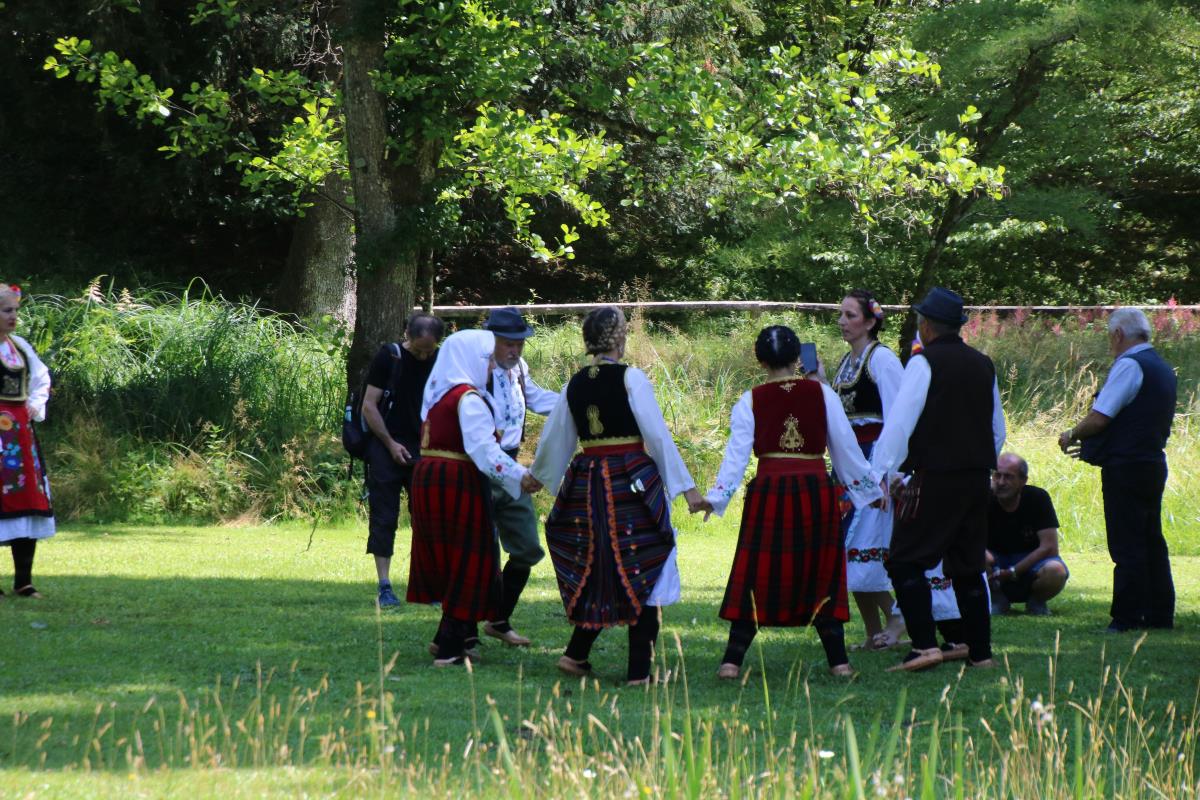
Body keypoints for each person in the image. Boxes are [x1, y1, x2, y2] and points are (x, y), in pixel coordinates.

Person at [530, 306, 705, 686]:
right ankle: (639, 673)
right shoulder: (631, 378)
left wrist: (539, 477)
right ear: (619, 337)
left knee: (601, 562)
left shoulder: (576, 383)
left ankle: (576, 655)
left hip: (588, 481)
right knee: (646, 560)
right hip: (629, 480)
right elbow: (657, 436)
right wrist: (688, 489)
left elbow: (558, 436)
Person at [699, 325, 884, 679]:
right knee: (821, 569)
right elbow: (845, 448)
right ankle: (839, 663)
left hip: (768, 492)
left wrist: (717, 498)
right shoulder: (822, 394)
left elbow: (736, 458)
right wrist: (869, 491)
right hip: (814, 490)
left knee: (756, 571)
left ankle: (731, 663)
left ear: (760, 360)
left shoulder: (750, 399)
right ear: (798, 357)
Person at [871, 287, 1006, 671]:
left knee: (904, 561)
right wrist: (978, 462)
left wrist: (883, 472)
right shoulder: (983, 364)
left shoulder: (924, 362)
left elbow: (900, 423)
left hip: (935, 477)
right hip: (976, 479)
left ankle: (924, 646)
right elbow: (997, 429)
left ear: (927, 326)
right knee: (967, 566)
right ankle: (980, 653)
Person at [406, 330, 541, 667]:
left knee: (455, 560)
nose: (491, 366)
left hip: (431, 480)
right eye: (487, 360)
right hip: (456, 482)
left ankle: (447, 640)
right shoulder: (468, 399)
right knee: (469, 560)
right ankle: (451, 650)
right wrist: (519, 475)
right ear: (470, 360)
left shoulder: (439, 396)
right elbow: (485, 451)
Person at [1059, 308, 1176, 633]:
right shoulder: (1162, 367)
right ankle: (1160, 614)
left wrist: (1071, 434)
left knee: (1126, 542)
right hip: (1152, 462)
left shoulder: (1129, 365)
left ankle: (1126, 616)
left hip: (1126, 466)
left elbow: (1100, 417)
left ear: (1118, 334)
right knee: (1151, 540)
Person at [830, 289, 907, 650]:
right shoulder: (847, 362)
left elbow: (898, 420)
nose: (842, 321)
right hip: (850, 464)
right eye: (841, 314)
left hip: (874, 463)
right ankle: (873, 631)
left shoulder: (883, 360)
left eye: (850, 315)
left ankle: (897, 618)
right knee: (849, 550)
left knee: (861, 546)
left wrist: (888, 474)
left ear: (871, 321)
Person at [480, 307, 559, 647]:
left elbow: (537, 399)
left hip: (512, 469)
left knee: (527, 548)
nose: (514, 350)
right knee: (478, 554)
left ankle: (498, 620)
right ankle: (459, 631)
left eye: (519, 344)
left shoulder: (519, 368)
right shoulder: (475, 371)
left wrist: (580, 399)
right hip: (480, 466)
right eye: (508, 343)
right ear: (491, 340)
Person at [361, 313, 444, 609]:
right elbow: (369, 406)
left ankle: (428, 586)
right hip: (386, 446)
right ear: (407, 334)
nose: (423, 356)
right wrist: (390, 444)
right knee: (384, 517)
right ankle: (384, 586)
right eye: (419, 350)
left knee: (428, 519)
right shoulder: (389, 356)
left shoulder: (441, 360)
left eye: (428, 351)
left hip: (425, 449)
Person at [0, 285, 54, 598]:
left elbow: (41, 378)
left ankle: (24, 581)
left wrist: (34, 404)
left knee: (25, 499)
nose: (13, 316)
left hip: (19, 437)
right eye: (6, 310)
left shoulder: (19, 347)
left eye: (15, 311)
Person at [987, 452, 1069, 616]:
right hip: (995, 561)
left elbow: (1050, 547)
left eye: (1008, 477)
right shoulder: (983, 498)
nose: (1001, 482)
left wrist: (1013, 571)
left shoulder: (1038, 498)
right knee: (972, 556)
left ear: (1023, 480)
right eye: (997, 476)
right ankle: (997, 599)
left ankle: (1036, 601)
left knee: (1056, 570)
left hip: (1033, 562)